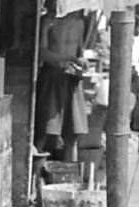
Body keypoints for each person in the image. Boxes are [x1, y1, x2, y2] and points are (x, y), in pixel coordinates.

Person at [37, 1, 91, 161]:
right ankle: (37, 173)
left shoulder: (80, 23)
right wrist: (69, 58)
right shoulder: (48, 21)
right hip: (51, 77)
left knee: (73, 133)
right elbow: (42, 53)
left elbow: (80, 52)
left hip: (71, 80)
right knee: (45, 130)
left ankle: (70, 177)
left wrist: (82, 63)